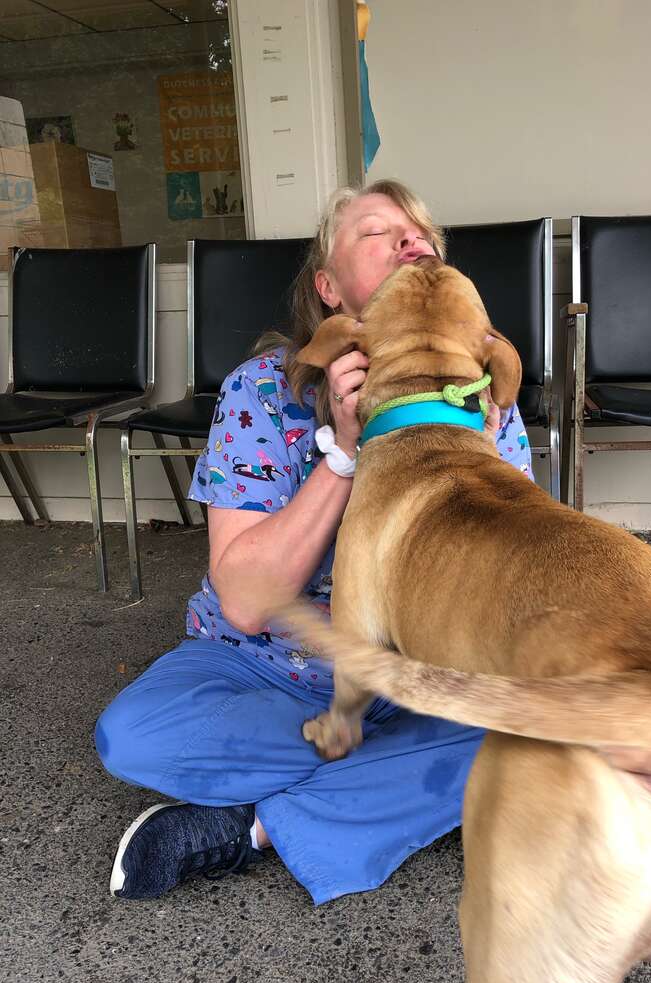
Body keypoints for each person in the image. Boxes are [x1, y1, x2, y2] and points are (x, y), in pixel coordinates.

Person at [95, 179, 534, 905]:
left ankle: (249, 829)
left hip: (418, 672)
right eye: (377, 232)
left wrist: (475, 464)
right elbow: (243, 603)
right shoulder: (260, 392)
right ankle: (387, 787)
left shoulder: (479, 395)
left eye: (422, 236)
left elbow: (510, 598)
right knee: (134, 734)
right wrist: (344, 451)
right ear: (329, 288)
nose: (411, 242)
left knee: (540, 722)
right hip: (270, 670)